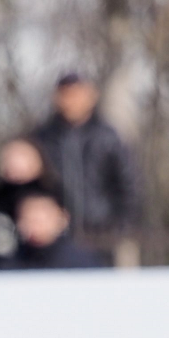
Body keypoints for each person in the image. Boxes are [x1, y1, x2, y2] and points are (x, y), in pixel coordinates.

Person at [33, 73, 138, 264]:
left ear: (91, 96)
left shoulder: (108, 136)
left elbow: (129, 184)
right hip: (57, 239)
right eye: (66, 95)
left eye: (77, 95)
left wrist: (121, 226)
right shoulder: (44, 138)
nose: (71, 101)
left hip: (103, 235)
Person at [0, 186, 102, 271]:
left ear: (63, 218)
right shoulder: (11, 261)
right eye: (29, 218)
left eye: (41, 219)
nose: (35, 225)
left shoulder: (82, 259)